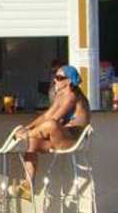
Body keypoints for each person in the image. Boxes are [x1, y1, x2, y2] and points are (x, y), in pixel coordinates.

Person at [19, 64, 91, 195]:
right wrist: (28, 127)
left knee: (51, 125)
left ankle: (27, 135)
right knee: (32, 142)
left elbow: (54, 119)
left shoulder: (72, 96)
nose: (55, 80)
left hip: (75, 139)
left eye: (59, 78)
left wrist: (27, 133)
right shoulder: (61, 95)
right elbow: (46, 115)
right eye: (55, 77)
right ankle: (28, 185)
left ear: (69, 81)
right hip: (63, 136)